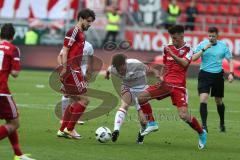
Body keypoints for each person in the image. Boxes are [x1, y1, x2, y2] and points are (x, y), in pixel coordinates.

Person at [137, 25, 207, 149]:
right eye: (171, 38)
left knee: (184, 115)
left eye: (175, 38)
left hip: (179, 86)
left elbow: (185, 63)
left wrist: (173, 55)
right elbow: (166, 65)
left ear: (182, 36)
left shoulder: (189, 49)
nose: (173, 40)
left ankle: (201, 132)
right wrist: (161, 75)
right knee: (141, 97)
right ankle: (152, 123)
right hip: (166, 84)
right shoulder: (167, 48)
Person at [56, 8, 95, 139]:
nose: (90, 24)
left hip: (74, 69)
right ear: (81, 19)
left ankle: (62, 130)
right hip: (72, 70)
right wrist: (65, 68)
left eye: (91, 22)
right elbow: (65, 50)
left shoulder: (81, 34)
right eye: (88, 21)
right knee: (84, 100)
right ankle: (70, 129)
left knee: (73, 100)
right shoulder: (74, 31)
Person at [105, 54, 159, 144]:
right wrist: (107, 75)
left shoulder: (136, 65)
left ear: (125, 64)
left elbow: (152, 69)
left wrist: (157, 76)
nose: (121, 72)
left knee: (143, 120)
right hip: (127, 87)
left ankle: (141, 133)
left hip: (142, 89)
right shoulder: (114, 69)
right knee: (124, 104)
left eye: (122, 69)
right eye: (119, 71)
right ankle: (116, 130)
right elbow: (108, 70)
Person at [0, 23, 36, 160]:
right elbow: (15, 73)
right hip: (2, 91)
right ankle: (18, 155)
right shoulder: (13, 49)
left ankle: (18, 154)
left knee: (10, 120)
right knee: (15, 123)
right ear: (13, 36)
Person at [193, 27, 234, 133]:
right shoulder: (202, 44)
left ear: (217, 36)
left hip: (217, 76)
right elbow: (193, 58)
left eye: (213, 36)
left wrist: (231, 73)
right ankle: (204, 126)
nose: (211, 38)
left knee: (218, 101)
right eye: (209, 36)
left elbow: (230, 60)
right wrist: (204, 49)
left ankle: (222, 123)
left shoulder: (223, 46)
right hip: (204, 75)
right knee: (203, 98)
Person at [60, 41, 94, 125]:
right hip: (70, 72)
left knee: (81, 95)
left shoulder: (89, 46)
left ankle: (75, 118)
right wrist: (64, 68)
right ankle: (64, 117)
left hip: (82, 73)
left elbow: (91, 58)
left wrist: (89, 71)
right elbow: (61, 55)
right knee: (68, 95)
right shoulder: (69, 44)